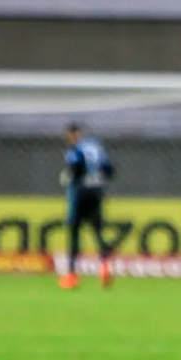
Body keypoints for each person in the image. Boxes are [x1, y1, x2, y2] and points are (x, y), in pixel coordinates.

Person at [58, 123, 115, 290]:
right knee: (97, 231)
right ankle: (104, 266)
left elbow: (76, 168)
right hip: (96, 191)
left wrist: (69, 177)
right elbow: (109, 170)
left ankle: (71, 275)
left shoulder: (75, 149)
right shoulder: (96, 146)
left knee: (74, 231)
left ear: (73, 134)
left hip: (80, 192)